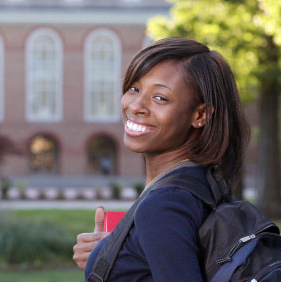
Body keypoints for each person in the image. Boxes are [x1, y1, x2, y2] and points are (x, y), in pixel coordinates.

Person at [72, 37, 250, 281]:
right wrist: (111, 253)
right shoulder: (205, 183)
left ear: (200, 115)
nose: (136, 106)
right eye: (134, 88)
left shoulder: (164, 204)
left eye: (160, 98)